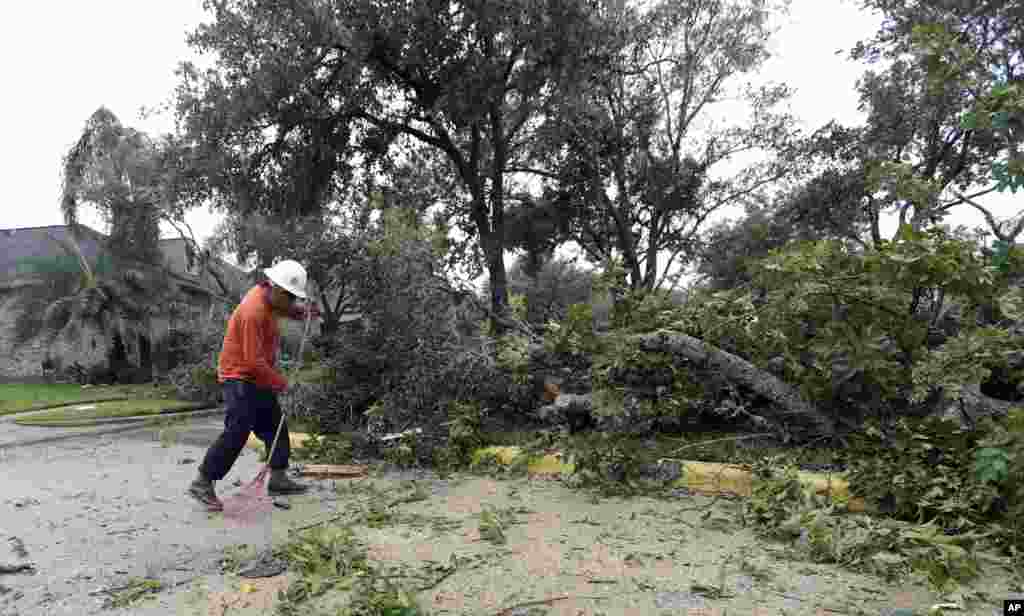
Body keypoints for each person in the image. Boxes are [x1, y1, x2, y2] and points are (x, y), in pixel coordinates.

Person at [188, 259, 321, 510]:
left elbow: (279, 308)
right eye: (291, 298)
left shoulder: (268, 295)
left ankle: (279, 478)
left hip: (257, 375)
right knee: (237, 430)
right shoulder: (253, 312)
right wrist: (283, 384)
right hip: (240, 376)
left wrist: (299, 312)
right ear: (277, 289)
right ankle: (203, 482)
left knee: (275, 424)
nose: (293, 302)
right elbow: (252, 362)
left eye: (296, 298)